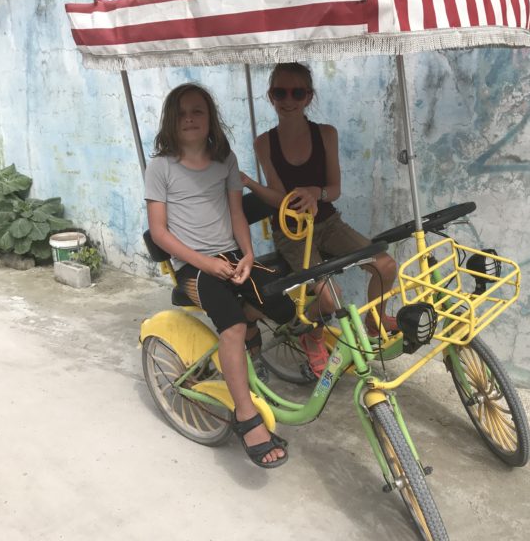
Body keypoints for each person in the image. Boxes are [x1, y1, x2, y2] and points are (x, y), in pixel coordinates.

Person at [145, 83, 293, 468]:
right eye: (181, 114)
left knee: (281, 301)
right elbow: (160, 232)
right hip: (194, 267)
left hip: (230, 257)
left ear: (210, 117)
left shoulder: (224, 160)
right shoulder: (160, 166)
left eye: (198, 111)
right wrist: (206, 263)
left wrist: (246, 254)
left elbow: (237, 215)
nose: (190, 119)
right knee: (232, 327)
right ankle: (246, 416)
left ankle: (252, 343)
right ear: (170, 122)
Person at [241, 62, 398, 377]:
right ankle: (310, 333)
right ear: (270, 96)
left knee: (385, 266)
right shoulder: (264, 143)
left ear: (309, 96)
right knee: (329, 301)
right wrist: (248, 183)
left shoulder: (326, 134)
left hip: (329, 225)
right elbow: (278, 198)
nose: (288, 99)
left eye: (297, 92)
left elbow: (335, 189)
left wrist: (317, 192)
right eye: (279, 92)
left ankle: (374, 319)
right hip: (293, 233)